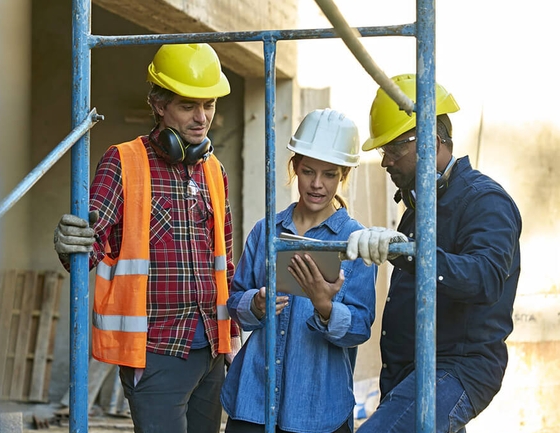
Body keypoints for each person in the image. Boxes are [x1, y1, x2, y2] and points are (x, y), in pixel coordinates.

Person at [52, 43, 241, 433]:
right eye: (188, 105)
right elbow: (87, 247)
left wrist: (232, 337)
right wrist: (70, 241)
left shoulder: (214, 171)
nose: (201, 117)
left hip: (211, 347)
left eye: (208, 105)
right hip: (154, 352)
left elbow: (225, 262)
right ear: (159, 104)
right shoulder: (122, 162)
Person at [346, 74, 522, 433]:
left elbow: (485, 278)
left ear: (429, 139)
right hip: (414, 369)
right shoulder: (422, 204)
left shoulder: (485, 201)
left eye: (393, 149)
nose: (385, 162)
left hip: (456, 368)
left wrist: (408, 252)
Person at [220, 108, 378, 433]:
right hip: (253, 404)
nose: (317, 184)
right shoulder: (267, 231)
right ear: (294, 167)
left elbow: (360, 328)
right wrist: (255, 305)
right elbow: (233, 301)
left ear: (344, 174)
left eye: (330, 174)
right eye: (308, 171)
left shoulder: (355, 242)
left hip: (318, 411)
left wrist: (326, 308)